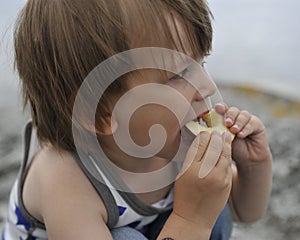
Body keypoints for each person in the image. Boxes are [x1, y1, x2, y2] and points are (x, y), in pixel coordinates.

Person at [2, 0, 272, 239]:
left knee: (216, 210)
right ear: (101, 112)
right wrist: (192, 219)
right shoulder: (65, 181)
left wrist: (253, 165)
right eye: (177, 75)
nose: (208, 86)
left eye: (201, 64)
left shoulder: (173, 139)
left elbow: (242, 211)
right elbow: (196, 218)